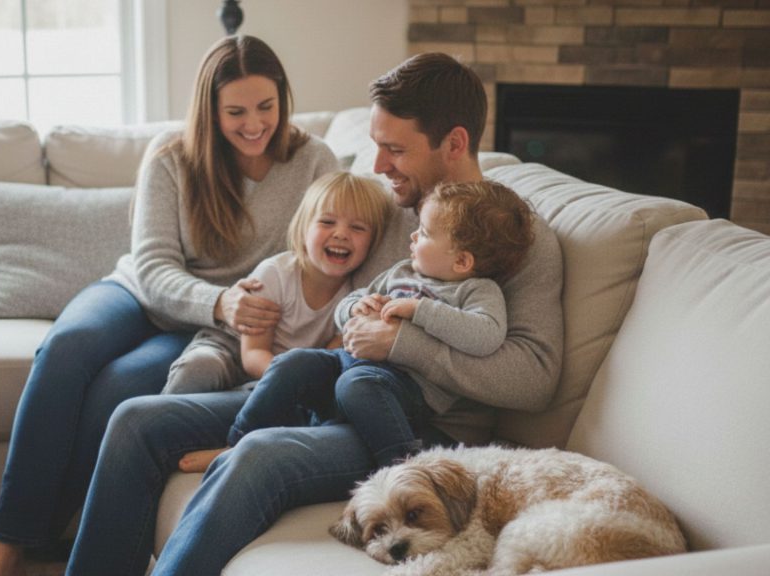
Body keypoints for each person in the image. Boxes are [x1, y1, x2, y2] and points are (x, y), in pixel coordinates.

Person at [65, 52, 564, 576]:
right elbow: (317, 282)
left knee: (258, 455)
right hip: (332, 388)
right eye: (376, 145)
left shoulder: (513, 238)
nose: (376, 166)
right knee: (136, 419)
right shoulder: (383, 211)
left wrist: (399, 344)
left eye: (395, 149)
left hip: (417, 429)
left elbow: (534, 379)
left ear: (455, 144)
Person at [0, 35, 339, 576]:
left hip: (213, 327)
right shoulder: (172, 156)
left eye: (266, 107)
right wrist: (220, 301)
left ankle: (47, 539)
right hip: (143, 292)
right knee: (65, 349)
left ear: (284, 99)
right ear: (210, 111)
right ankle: (6, 541)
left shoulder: (313, 160)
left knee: (118, 391)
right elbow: (155, 266)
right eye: (235, 111)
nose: (253, 124)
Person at [181, 179, 535, 472]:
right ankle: (236, 442)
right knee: (295, 362)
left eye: (424, 233)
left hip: (406, 390)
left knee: (357, 385)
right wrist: (355, 307)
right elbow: (350, 304)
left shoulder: (478, 290)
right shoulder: (402, 272)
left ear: (461, 260)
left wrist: (419, 310)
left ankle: (403, 472)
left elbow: (486, 335)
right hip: (350, 363)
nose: (413, 238)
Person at [162, 172, 392, 396]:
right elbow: (253, 354)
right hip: (232, 350)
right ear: (303, 230)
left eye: (358, 228)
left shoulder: (354, 298)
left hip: (276, 378)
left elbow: (328, 356)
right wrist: (290, 378)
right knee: (200, 366)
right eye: (327, 222)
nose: (341, 234)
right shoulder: (275, 274)